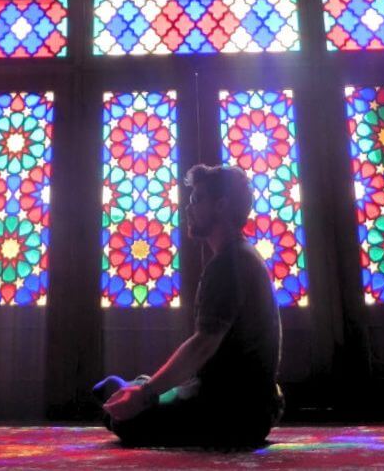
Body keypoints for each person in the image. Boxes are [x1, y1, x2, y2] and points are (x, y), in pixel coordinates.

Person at [94, 164, 284, 448]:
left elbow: (203, 345)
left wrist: (145, 393)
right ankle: (135, 388)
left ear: (220, 206)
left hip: (233, 415)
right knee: (121, 391)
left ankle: (133, 389)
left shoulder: (228, 265)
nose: (188, 208)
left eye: (197, 200)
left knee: (120, 415)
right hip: (255, 405)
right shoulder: (242, 255)